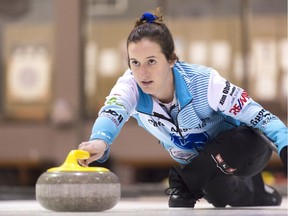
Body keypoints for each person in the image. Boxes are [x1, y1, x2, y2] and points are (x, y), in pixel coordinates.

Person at [78, 8, 287, 208]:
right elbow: (113, 111)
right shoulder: (129, 86)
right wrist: (100, 140)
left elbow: (258, 116)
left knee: (246, 141)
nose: (142, 73)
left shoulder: (204, 83)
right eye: (135, 62)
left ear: (171, 60)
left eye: (151, 61)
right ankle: (259, 192)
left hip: (243, 150)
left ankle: (185, 182)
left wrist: (285, 145)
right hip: (205, 169)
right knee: (220, 197)